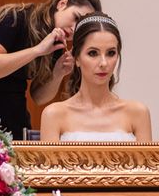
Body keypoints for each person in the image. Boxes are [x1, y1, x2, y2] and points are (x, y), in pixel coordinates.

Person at [0, 0, 101, 138]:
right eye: (75, 18)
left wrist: (58, 74)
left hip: (14, 122)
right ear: (62, 4)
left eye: (80, 26)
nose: (74, 28)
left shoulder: (56, 44)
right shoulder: (14, 17)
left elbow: (39, 98)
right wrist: (37, 50)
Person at [40, 13, 151, 142]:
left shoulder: (138, 113)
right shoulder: (54, 115)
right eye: (93, 53)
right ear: (76, 58)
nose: (104, 63)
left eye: (111, 53)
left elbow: (146, 162)